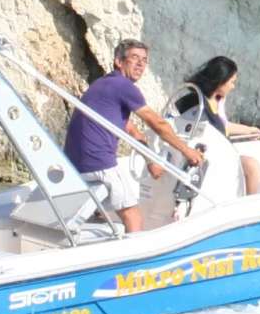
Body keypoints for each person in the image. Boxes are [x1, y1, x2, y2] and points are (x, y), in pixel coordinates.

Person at [63, 39, 204, 233]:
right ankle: (136, 260)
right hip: (99, 163)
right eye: (134, 58)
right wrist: (188, 151)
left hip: (75, 164)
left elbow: (131, 129)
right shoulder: (124, 86)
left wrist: (150, 160)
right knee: (133, 217)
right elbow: (158, 124)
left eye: (144, 60)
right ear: (119, 62)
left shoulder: (103, 85)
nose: (140, 64)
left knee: (114, 208)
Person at [175, 56, 260, 195]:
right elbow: (218, 130)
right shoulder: (199, 105)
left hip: (216, 151)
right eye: (231, 82)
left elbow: (224, 126)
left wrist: (249, 130)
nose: (233, 87)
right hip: (208, 155)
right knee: (251, 166)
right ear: (221, 81)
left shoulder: (215, 101)